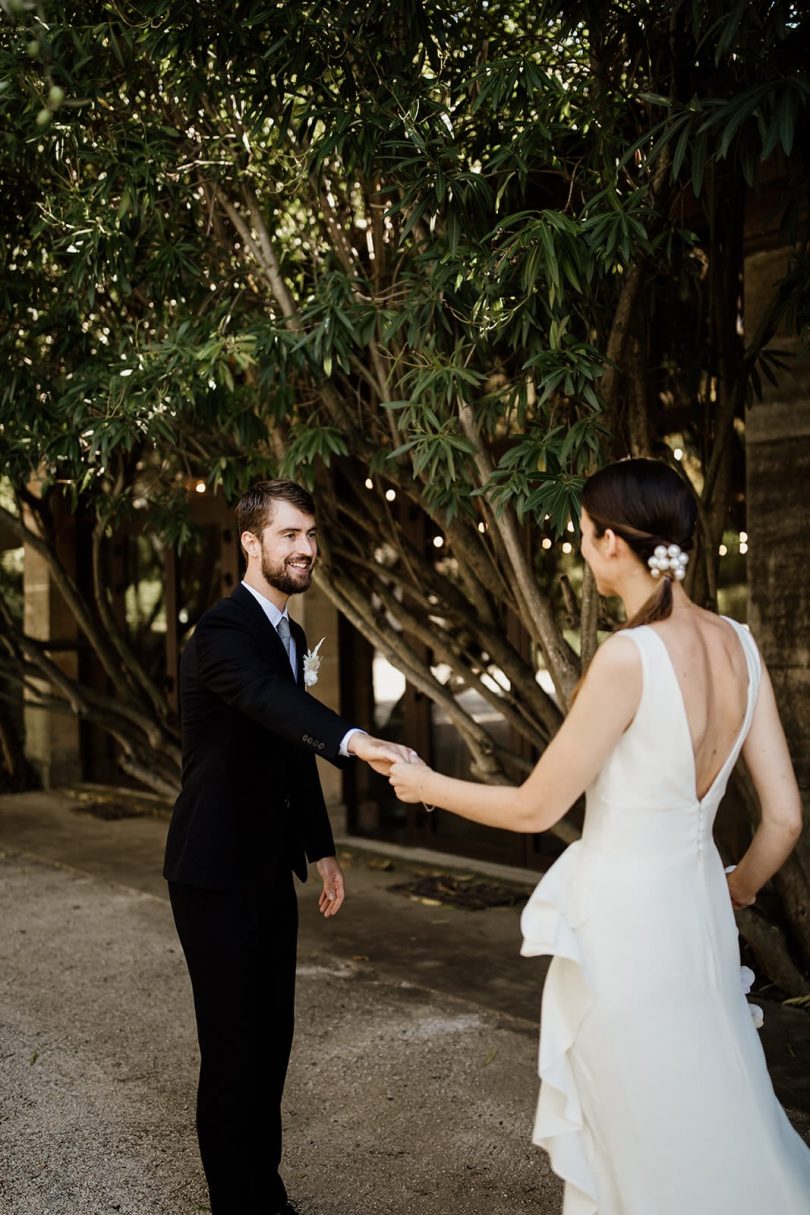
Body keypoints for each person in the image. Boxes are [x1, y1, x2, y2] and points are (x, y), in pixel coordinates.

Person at [389, 457, 810, 1214]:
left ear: (614, 541)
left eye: (584, 534)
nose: (582, 549)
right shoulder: (741, 645)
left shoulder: (628, 657)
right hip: (700, 917)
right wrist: (737, 888)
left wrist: (425, 785)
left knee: (643, 1134)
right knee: (711, 1108)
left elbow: (534, 807)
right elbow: (784, 818)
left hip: (628, 928)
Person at [164, 479, 410, 1215]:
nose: (306, 548)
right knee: (233, 1049)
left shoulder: (291, 635)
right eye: (289, 535)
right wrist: (355, 736)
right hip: (211, 871)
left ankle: (261, 1193)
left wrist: (323, 849)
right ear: (251, 542)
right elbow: (276, 703)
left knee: (271, 1042)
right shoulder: (222, 632)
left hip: (270, 865)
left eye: (310, 534)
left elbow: (289, 750)